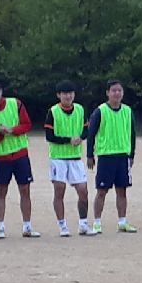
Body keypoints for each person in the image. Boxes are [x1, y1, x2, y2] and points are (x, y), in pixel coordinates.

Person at [0, 78, 40, 238]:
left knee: (25, 190)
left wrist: (11, 130)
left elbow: (27, 124)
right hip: (2, 157)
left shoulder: (16, 103)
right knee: (1, 191)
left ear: (1, 91)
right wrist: (0, 134)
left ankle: (27, 226)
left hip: (20, 154)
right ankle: (0, 227)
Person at [87, 79, 137, 234]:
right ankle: (97, 222)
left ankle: (122, 221)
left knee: (122, 190)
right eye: (114, 90)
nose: (117, 93)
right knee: (102, 190)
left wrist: (132, 154)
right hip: (106, 156)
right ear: (108, 93)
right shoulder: (100, 111)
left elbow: (132, 134)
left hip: (123, 156)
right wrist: (90, 154)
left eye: (119, 90)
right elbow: (91, 134)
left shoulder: (128, 111)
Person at [45, 80, 90, 238]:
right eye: (64, 93)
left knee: (83, 191)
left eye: (70, 93)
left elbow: (86, 130)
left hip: (75, 157)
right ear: (59, 95)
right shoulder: (53, 112)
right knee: (59, 191)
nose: (68, 96)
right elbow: (49, 136)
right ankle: (62, 225)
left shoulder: (80, 109)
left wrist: (80, 137)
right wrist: (68, 140)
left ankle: (83, 224)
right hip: (58, 157)